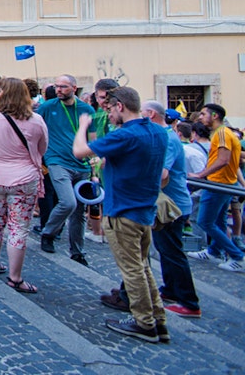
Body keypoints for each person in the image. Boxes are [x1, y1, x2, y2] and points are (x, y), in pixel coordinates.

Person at [74, 87, 169, 343]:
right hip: (145, 209)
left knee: (132, 270)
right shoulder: (158, 132)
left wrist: (83, 125)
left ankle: (144, 323)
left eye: (110, 109)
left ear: (120, 107)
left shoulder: (126, 135)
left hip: (123, 211)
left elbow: (80, 151)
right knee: (143, 267)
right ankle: (157, 319)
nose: (108, 114)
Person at [103, 100, 201, 319]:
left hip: (168, 204)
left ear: (150, 114)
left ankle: (188, 301)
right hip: (162, 202)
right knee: (154, 252)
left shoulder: (164, 137)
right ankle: (164, 292)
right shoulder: (160, 134)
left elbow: (162, 174)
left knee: (168, 254)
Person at [0, 78, 48, 293]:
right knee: (18, 227)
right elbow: (43, 148)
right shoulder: (36, 120)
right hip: (24, 178)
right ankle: (15, 277)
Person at [37, 74, 96, 266]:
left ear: (74, 87)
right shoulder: (47, 107)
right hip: (56, 161)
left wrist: (93, 160)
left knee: (79, 210)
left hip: (81, 164)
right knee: (68, 202)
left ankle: (77, 251)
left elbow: (92, 138)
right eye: (57, 86)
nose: (59, 90)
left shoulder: (86, 110)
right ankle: (48, 232)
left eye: (63, 86)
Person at [187, 103, 244, 271]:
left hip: (218, 183)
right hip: (223, 182)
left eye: (204, 114)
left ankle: (237, 256)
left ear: (215, 116)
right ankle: (213, 251)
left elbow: (223, 160)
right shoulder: (222, 133)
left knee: (205, 221)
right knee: (218, 221)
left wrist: (200, 174)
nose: (200, 117)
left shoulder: (222, 134)